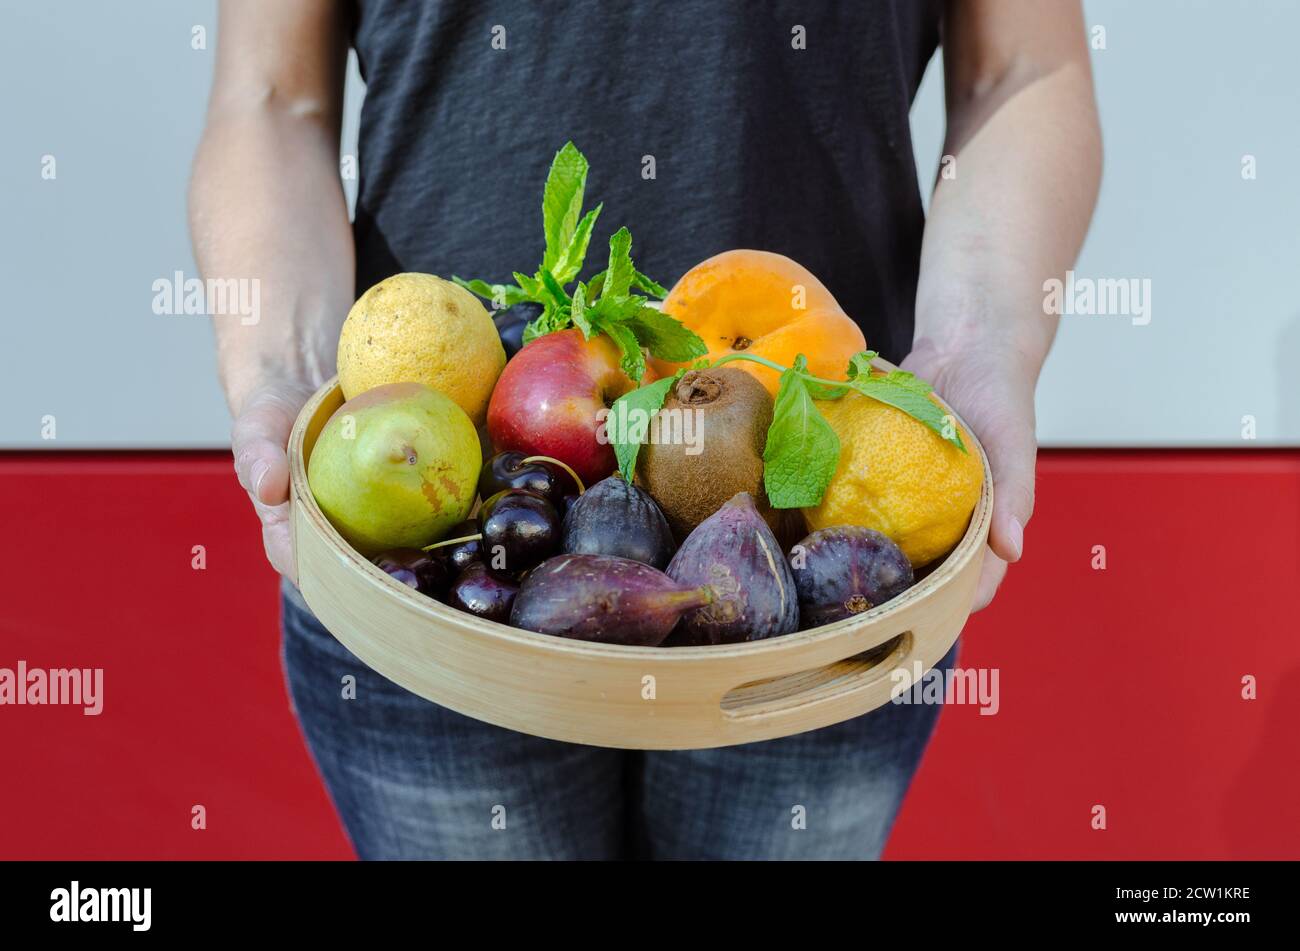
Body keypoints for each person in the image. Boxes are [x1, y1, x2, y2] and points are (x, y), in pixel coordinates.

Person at [190, 0, 1100, 859]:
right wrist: (282, 363)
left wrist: (980, 342)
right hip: (432, 565)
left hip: (816, 559)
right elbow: (271, 95)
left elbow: (1022, 69)